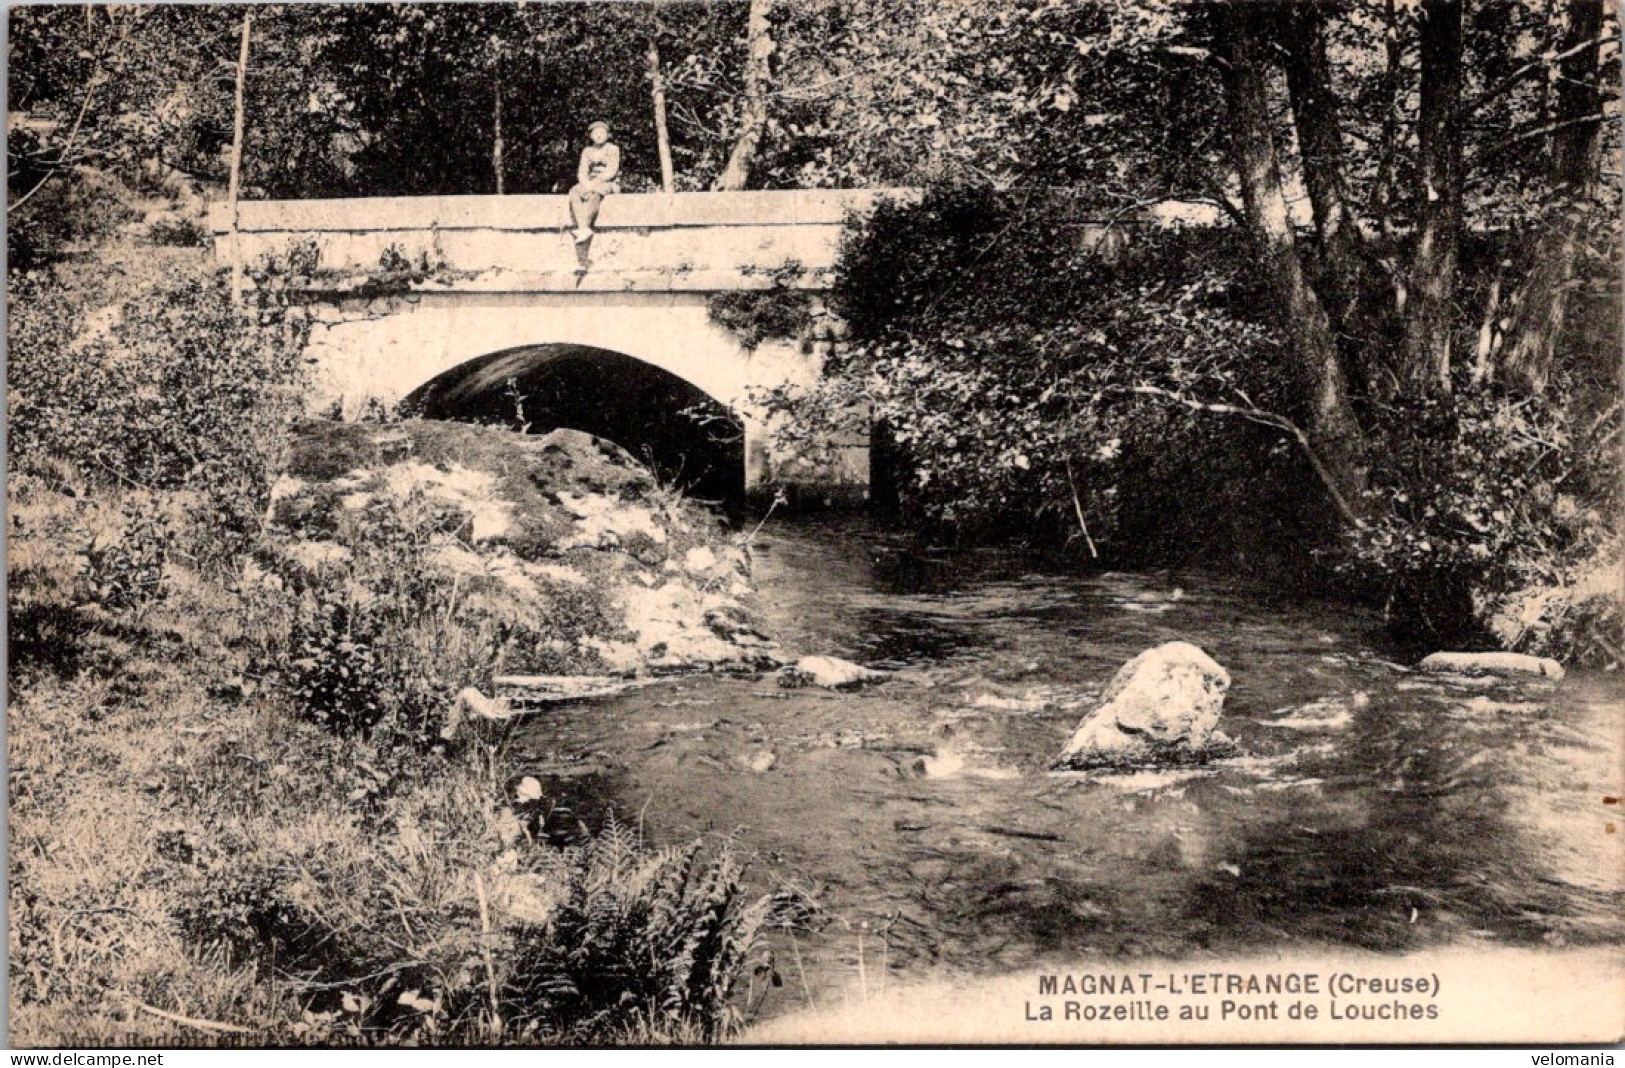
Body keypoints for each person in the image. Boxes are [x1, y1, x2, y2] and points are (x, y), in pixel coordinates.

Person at [569, 121, 620, 243]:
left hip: (608, 182)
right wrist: (586, 183)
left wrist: (594, 184)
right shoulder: (587, 151)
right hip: (590, 181)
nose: (598, 136)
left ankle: (584, 226)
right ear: (590, 136)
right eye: (595, 133)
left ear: (608, 135)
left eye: (602, 133)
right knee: (574, 191)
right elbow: (582, 171)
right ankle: (583, 228)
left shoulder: (613, 149)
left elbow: (612, 170)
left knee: (596, 193)